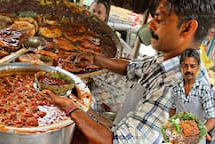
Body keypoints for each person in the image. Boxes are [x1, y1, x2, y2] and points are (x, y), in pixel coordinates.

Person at [42, 0, 215, 143]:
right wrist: (95, 59)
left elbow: (116, 141)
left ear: (187, 28)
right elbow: (131, 67)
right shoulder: (175, 59)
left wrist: (69, 107)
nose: (150, 26)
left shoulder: (175, 86)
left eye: (159, 19)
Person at [88, 0, 134, 114]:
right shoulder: (85, 32)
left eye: (99, 12)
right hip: (94, 86)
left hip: (111, 94)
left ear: (105, 16)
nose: (95, 15)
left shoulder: (114, 41)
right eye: (93, 11)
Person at [169, 49, 215, 143]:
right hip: (179, 137)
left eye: (192, 66)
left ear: (198, 68)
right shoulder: (175, 87)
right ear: (181, 66)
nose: (188, 70)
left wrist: (199, 132)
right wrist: (174, 125)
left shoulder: (204, 89)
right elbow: (172, 109)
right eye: (185, 66)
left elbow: (212, 118)